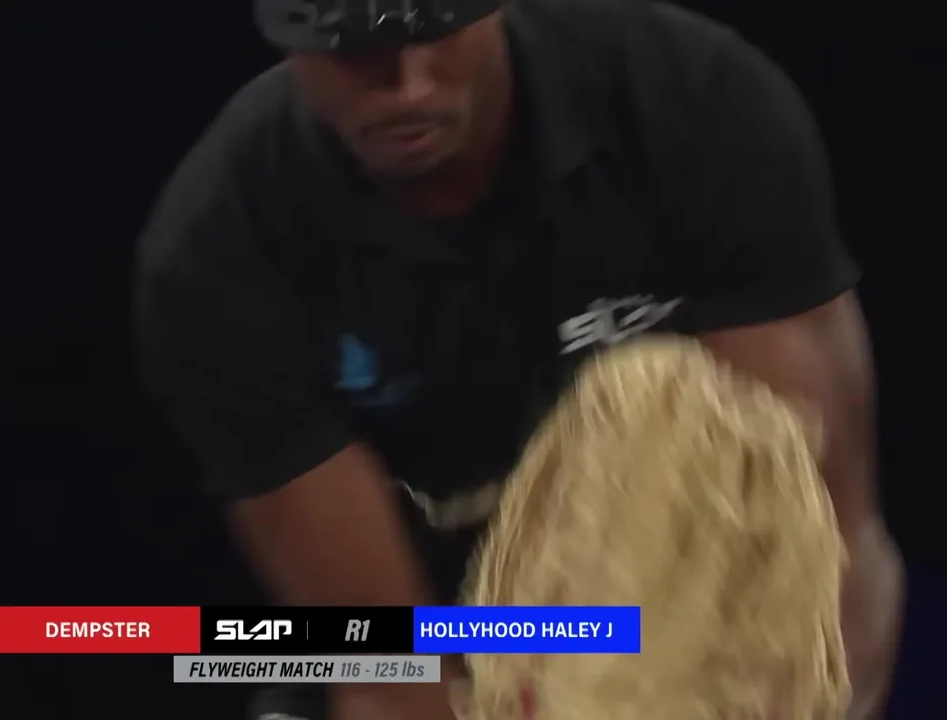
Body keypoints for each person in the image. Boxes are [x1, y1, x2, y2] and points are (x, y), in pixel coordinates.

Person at [135, 0, 904, 718]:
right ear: (289, 43)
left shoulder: (688, 101)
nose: (408, 85)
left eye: (436, 30)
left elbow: (831, 549)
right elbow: (383, 662)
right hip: (436, 632)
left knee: (673, 403)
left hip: (694, 626)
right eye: (356, 51)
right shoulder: (221, 248)